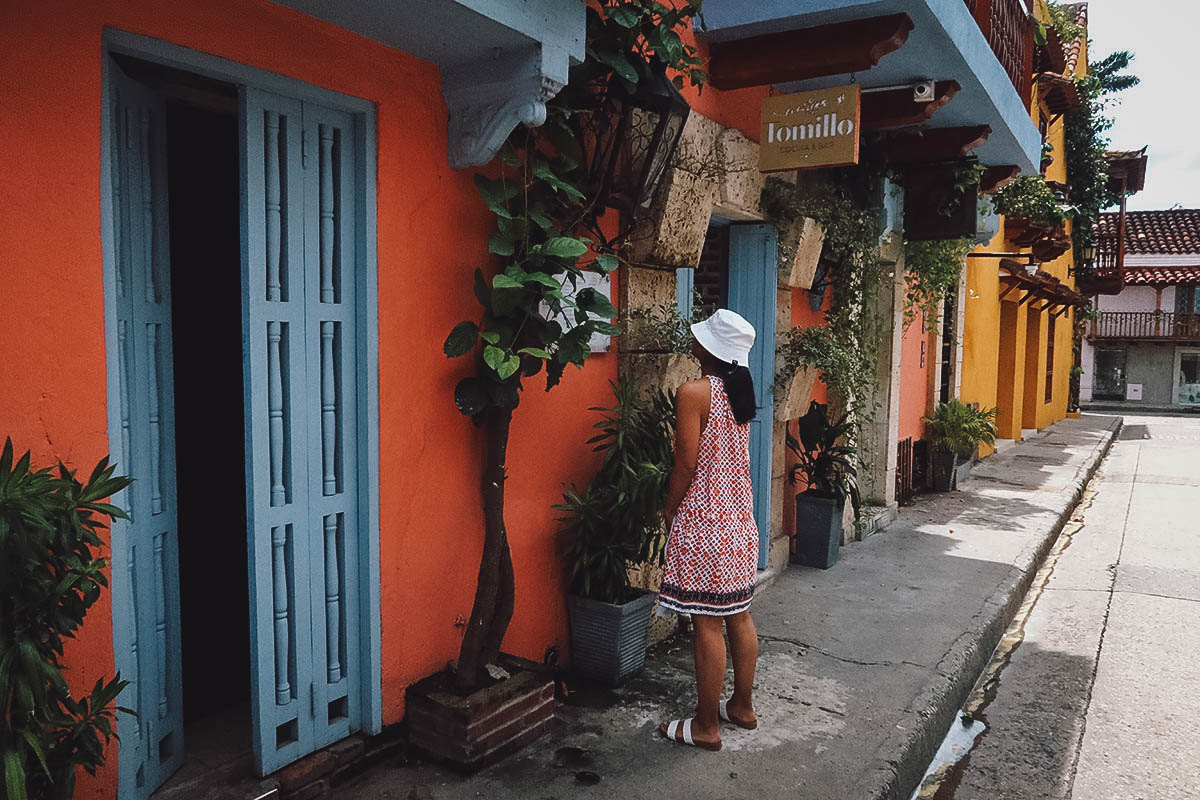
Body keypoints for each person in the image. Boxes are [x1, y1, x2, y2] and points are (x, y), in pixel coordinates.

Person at [657, 308, 760, 751]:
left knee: (707, 624)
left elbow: (686, 463)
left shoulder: (693, 392)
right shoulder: (741, 394)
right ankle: (742, 706)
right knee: (738, 615)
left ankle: (705, 726)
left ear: (708, 348)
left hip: (705, 524)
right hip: (740, 523)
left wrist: (669, 509)